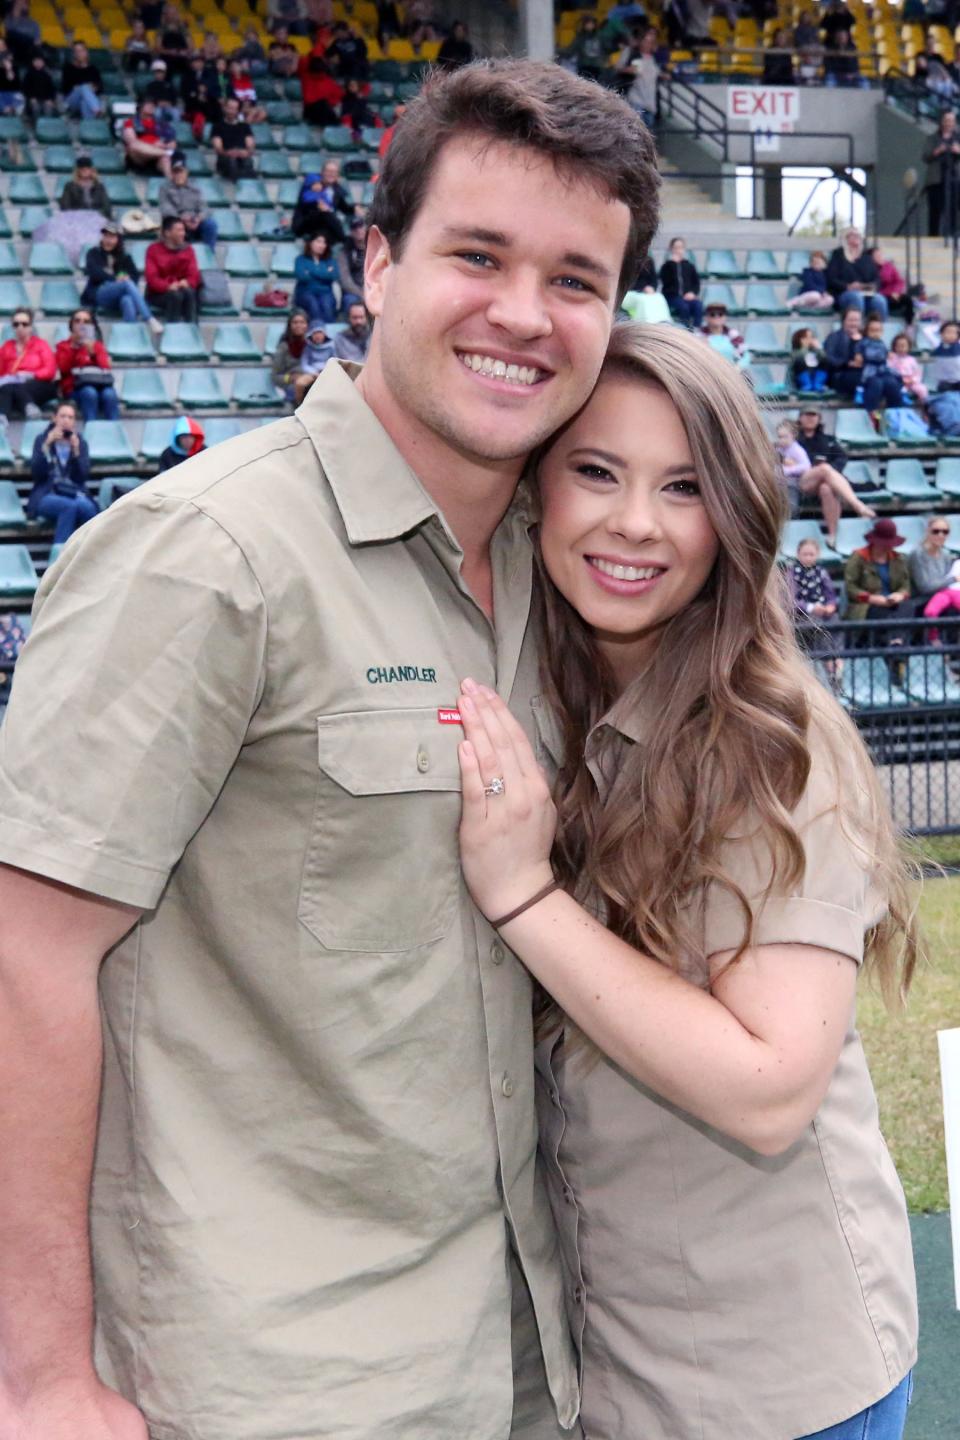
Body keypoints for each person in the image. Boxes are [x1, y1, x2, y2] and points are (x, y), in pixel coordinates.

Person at [0, 58, 660, 1440]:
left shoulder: (561, 574)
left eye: (577, 279)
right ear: (373, 263)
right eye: (476, 255)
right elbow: (23, 958)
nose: (524, 316)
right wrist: (42, 1380)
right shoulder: (208, 556)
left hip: (520, 1353)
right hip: (273, 1381)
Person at [453, 322, 918, 1440]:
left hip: (776, 1393)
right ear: (536, 493)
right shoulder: (550, 699)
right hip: (616, 1378)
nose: (635, 524)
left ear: (735, 520)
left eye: (684, 487)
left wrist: (525, 899)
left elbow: (769, 1088)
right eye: (597, 472)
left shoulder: (772, 742)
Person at [793, 403, 876, 544]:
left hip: (824, 482)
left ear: (819, 419)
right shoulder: (793, 440)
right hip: (800, 481)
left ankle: (833, 535)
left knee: (826, 488)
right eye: (807, 415)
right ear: (800, 418)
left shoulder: (829, 440)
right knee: (824, 468)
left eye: (814, 415)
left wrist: (829, 471)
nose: (810, 418)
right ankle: (858, 506)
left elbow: (841, 458)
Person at [845, 517, 913, 680]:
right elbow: (851, 588)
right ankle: (898, 650)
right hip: (867, 606)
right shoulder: (858, 557)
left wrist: (899, 595)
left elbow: (906, 586)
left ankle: (895, 644)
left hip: (892, 604)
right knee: (882, 613)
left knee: (907, 607)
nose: (887, 546)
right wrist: (871, 598)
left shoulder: (899, 558)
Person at [26, 400, 98, 544]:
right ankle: (60, 558)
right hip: (47, 494)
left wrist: (76, 451)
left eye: (70, 417)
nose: (66, 420)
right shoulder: (42, 439)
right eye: (62, 416)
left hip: (73, 493)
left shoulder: (80, 443)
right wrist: (46, 445)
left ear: (74, 422)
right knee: (68, 507)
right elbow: (37, 474)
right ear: (54, 418)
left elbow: (82, 477)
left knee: (90, 509)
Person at [82, 220, 159, 331]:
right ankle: (149, 318)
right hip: (98, 293)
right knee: (126, 284)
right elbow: (95, 273)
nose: (108, 240)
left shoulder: (125, 257)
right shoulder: (93, 253)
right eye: (106, 236)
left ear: (119, 240)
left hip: (117, 297)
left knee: (127, 299)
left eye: (112, 237)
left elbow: (135, 276)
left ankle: (130, 334)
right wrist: (116, 279)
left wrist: (127, 278)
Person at [789, 535, 843, 688]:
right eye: (804, 554)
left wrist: (830, 606)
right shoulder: (792, 573)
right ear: (798, 554)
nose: (808, 557)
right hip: (802, 615)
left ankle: (838, 662)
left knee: (835, 621)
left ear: (817, 555)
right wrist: (811, 608)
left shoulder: (821, 573)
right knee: (817, 625)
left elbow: (830, 595)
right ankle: (830, 665)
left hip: (823, 611)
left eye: (811, 554)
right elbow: (790, 600)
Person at [55, 309, 119, 423]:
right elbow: (63, 369)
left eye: (86, 321)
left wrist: (93, 353)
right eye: (77, 321)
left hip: (100, 384)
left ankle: (114, 430)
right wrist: (74, 348)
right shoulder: (63, 346)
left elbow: (106, 368)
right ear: (72, 325)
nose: (82, 324)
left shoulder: (97, 346)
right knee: (89, 392)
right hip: (74, 388)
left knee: (110, 394)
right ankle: (91, 429)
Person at [0, 307, 58, 422]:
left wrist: (29, 375)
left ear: (31, 326)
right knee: (8, 387)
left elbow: (50, 370)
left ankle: (6, 413)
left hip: (39, 383)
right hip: (11, 385)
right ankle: (8, 415)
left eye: (24, 324)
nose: (20, 327)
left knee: (13, 386)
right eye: (16, 324)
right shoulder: (7, 346)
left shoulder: (41, 344)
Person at [145, 215, 202, 323]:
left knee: (189, 292)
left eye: (183, 230)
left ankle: (193, 330)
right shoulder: (153, 250)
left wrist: (187, 282)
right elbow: (152, 278)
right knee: (175, 295)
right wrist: (168, 286)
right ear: (167, 233)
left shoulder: (188, 249)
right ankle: (171, 332)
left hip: (183, 290)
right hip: (159, 294)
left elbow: (194, 275)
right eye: (179, 230)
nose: (183, 234)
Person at [158, 151, 219, 249]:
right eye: (175, 172)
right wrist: (182, 218)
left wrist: (198, 218)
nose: (178, 175)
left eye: (181, 171)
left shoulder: (195, 188)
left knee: (211, 224)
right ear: (172, 173)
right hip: (176, 220)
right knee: (175, 227)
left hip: (194, 221)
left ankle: (209, 254)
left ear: (186, 172)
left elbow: (204, 207)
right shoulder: (165, 188)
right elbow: (166, 209)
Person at [825, 227, 888, 319]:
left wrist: (872, 285)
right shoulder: (838, 255)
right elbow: (831, 278)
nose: (857, 237)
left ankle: (877, 330)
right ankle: (857, 331)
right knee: (856, 297)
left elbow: (877, 278)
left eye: (858, 235)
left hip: (866, 293)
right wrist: (848, 286)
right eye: (852, 235)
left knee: (880, 300)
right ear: (846, 238)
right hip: (845, 293)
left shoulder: (866, 257)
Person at [857, 311, 905, 412]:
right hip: (871, 370)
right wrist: (859, 355)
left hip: (882, 369)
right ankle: (871, 412)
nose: (875, 333)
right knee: (876, 384)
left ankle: (896, 411)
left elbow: (884, 352)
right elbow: (865, 353)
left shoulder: (881, 342)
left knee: (893, 382)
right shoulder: (865, 342)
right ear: (867, 331)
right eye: (872, 330)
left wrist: (889, 354)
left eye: (878, 330)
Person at [909, 515, 954, 616]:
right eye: (936, 531)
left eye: (945, 532)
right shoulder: (918, 554)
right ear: (928, 531)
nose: (940, 535)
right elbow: (925, 587)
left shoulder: (946, 555)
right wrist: (953, 579)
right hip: (921, 601)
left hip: (942, 598)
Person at [925, 109, 960, 238]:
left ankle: (952, 235)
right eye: (946, 120)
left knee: (953, 210)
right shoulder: (933, 138)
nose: (949, 123)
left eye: (951, 120)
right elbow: (925, 156)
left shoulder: (958, 137)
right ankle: (933, 236)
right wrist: (938, 151)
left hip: (954, 179)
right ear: (941, 122)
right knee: (935, 211)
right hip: (937, 180)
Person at [617, 27, 659, 127]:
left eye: (650, 42)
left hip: (650, 102)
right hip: (636, 99)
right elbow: (619, 68)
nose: (648, 44)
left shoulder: (653, 59)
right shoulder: (634, 55)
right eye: (646, 41)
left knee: (648, 135)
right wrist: (628, 69)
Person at [293, 233, 339, 324]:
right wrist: (325, 273)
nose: (322, 245)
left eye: (324, 243)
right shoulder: (300, 259)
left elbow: (334, 276)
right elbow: (302, 277)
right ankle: (316, 332)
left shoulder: (330, 260)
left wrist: (310, 271)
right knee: (313, 305)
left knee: (327, 306)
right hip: (305, 293)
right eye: (318, 242)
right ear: (310, 243)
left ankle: (329, 333)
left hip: (326, 293)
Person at [123, 99, 176, 177]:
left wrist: (166, 145)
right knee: (133, 146)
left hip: (158, 156)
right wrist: (153, 146)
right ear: (141, 107)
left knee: (165, 159)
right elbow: (131, 140)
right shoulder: (131, 122)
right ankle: (166, 153)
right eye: (148, 104)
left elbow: (172, 143)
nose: (151, 107)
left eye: (153, 105)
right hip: (140, 157)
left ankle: (171, 183)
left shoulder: (162, 124)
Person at [658, 235, 702, 327]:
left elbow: (696, 283)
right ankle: (686, 329)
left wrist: (693, 293)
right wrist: (673, 264)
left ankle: (697, 329)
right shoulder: (667, 266)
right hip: (672, 296)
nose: (678, 250)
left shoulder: (689, 265)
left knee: (698, 305)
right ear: (671, 249)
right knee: (683, 307)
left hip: (687, 296)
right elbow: (665, 280)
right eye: (676, 248)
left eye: (681, 247)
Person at [211, 95, 256, 180]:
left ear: (238, 111)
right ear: (225, 108)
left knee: (248, 161)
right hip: (225, 159)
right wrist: (229, 153)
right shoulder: (217, 126)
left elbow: (250, 145)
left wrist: (245, 152)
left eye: (234, 109)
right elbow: (218, 148)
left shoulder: (244, 126)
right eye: (229, 108)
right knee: (232, 162)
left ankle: (246, 187)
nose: (231, 111)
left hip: (242, 157)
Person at [270, 307, 310, 403]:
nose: (299, 325)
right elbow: (275, 376)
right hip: (292, 385)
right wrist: (291, 378)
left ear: (307, 325)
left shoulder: (312, 345)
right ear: (289, 325)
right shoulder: (283, 347)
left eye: (302, 322)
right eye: (295, 322)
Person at [61, 39, 104, 119]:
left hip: (87, 100)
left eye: (81, 51)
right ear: (74, 54)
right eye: (77, 51)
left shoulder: (93, 69)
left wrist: (94, 88)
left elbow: (100, 87)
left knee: (85, 102)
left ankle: (89, 126)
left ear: (86, 52)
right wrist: (81, 88)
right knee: (84, 88)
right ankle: (98, 110)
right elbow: (65, 88)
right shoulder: (68, 68)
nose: (79, 54)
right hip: (71, 101)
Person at [698, 299, 746, 366]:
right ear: (706, 317)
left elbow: (745, 356)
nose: (716, 317)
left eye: (720, 314)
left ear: (725, 317)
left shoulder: (734, 335)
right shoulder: (698, 336)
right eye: (712, 314)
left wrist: (737, 368)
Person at [888, 332, 929, 404]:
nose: (901, 348)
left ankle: (924, 406)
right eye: (898, 346)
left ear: (908, 347)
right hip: (898, 381)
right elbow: (889, 370)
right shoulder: (892, 358)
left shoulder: (912, 360)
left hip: (911, 382)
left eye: (904, 346)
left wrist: (913, 380)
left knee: (922, 389)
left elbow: (917, 373)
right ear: (894, 347)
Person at [564, 14, 607, 81]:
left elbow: (606, 48)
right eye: (588, 24)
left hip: (597, 67)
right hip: (584, 65)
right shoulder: (580, 37)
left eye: (591, 23)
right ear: (584, 25)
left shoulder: (600, 36)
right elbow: (572, 50)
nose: (590, 26)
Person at [337, 216, 366, 310]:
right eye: (354, 228)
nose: (358, 230)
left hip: (374, 289)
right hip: (354, 292)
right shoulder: (344, 252)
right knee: (349, 301)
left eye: (360, 226)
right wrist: (361, 293)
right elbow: (345, 280)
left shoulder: (376, 248)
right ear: (351, 232)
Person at [790, 326, 829, 391]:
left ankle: (818, 384)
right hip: (803, 377)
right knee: (799, 362)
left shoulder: (816, 351)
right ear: (801, 340)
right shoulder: (795, 352)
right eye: (808, 337)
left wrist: (819, 348)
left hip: (816, 375)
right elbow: (799, 358)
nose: (811, 340)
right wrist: (805, 347)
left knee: (825, 362)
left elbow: (824, 358)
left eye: (812, 337)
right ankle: (807, 384)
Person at [21, 52, 57, 119]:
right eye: (36, 61)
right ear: (33, 62)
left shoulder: (47, 75)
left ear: (43, 63)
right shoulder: (29, 74)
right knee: (35, 107)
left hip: (46, 99)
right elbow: (25, 89)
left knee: (48, 108)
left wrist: (50, 99)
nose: (38, 63)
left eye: (40, 61)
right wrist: (31, 98)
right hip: (33, 99)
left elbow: (52, 89)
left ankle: (46, 126)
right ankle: (34, 126)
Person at [929, 317, 960, 391]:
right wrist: (941, 324)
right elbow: (927, 330)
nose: (950, 335)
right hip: (944, 382)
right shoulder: (937, 344)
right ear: (941, 333)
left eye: (954, 332)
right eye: (948, 332)